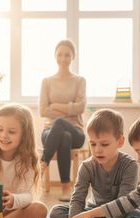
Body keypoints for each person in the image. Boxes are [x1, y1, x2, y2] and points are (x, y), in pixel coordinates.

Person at [50, 109, 140, 218]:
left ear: (120, 141)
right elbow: (77, 199)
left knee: (135, 217)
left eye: (104, 144)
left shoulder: (130, 165)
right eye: (93, 144)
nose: (98, 150)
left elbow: (124, 203)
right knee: (56, 212)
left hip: (122, 213)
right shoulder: (87, 166)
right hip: (93, 214)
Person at [39, 39, 86, 201]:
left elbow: (81, 108)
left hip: (76, 132)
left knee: (61, 124)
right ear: (55, 56)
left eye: (67, 55)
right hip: (50, 132)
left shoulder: (80, 81)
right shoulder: (46, 81)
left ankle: (42, 163)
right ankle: (66, 188)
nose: (63, 58)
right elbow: (42, 110)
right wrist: (69, 108)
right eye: (60, 54)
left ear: (73, 57)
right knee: (63, 135)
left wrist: (56, 106)